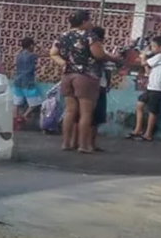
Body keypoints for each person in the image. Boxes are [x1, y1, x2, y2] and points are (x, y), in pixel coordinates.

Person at [49, 9, 119, 154]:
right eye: (89, 20)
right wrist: (113, 58)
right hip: (86, 76)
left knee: (69, 111)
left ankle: (66, 143)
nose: (91, 22)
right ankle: (83, 145)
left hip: (67, 75)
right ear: (83, 22)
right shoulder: (89, 36)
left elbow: (53, 53)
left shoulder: (63, 36)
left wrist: (63, 63)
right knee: (86, 113)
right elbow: (98, 55)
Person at [128, 35, 161, 141]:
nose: (152, 49)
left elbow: (143, 63)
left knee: (152, 111)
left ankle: (148, 134)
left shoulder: (160, 56)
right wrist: (145, 58)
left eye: (154, 46)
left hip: (157, 89)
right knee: (140, 105)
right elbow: (147, 70)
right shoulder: (158, 58)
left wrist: (143, 56)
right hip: (151, 87)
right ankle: (138, 129)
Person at [89, 26, 114, 151]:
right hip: (99, 85)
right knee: (96, 117)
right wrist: (108, 83)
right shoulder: (102, 51)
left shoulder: (81, 48)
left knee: (81, 115)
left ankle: (76, 142)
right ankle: (91, 144)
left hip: (82, 83)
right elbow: (109, 69)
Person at [12, 37, 42, 124]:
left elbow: (14, 64)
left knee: (16, 102)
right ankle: (25, 115)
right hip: (28, 81)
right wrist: (41, 47)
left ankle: (15, 118)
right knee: (35, 102)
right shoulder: (32, 55)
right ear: (31, 45)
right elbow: (47, 54)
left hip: (17, 80)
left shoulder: (18, 55)